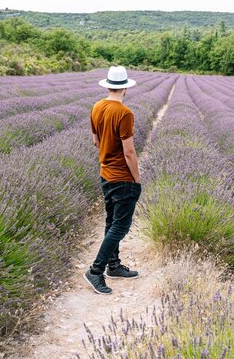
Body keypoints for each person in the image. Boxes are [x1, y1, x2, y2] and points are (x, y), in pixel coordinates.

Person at [84, 66, 141, 295]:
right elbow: (129, 152)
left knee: (111, 222)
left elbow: (96, 142)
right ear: (125, 87)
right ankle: (95, 271)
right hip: (122, 177)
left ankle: (114, 266)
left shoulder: (96, 107)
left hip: (105, 174)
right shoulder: (124, 113)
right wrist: (136, 178)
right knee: (120, 226)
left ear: (108, 85)